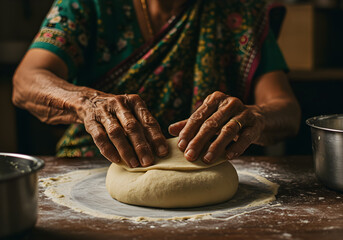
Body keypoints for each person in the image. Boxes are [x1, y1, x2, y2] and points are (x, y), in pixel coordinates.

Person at [12, 0, 301, 168]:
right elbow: (27, 80)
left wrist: (255, 117)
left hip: (205, 165)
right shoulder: (90, 5)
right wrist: (89, 103)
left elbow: (287, 110)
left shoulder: (237, 10)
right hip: (96, 164)